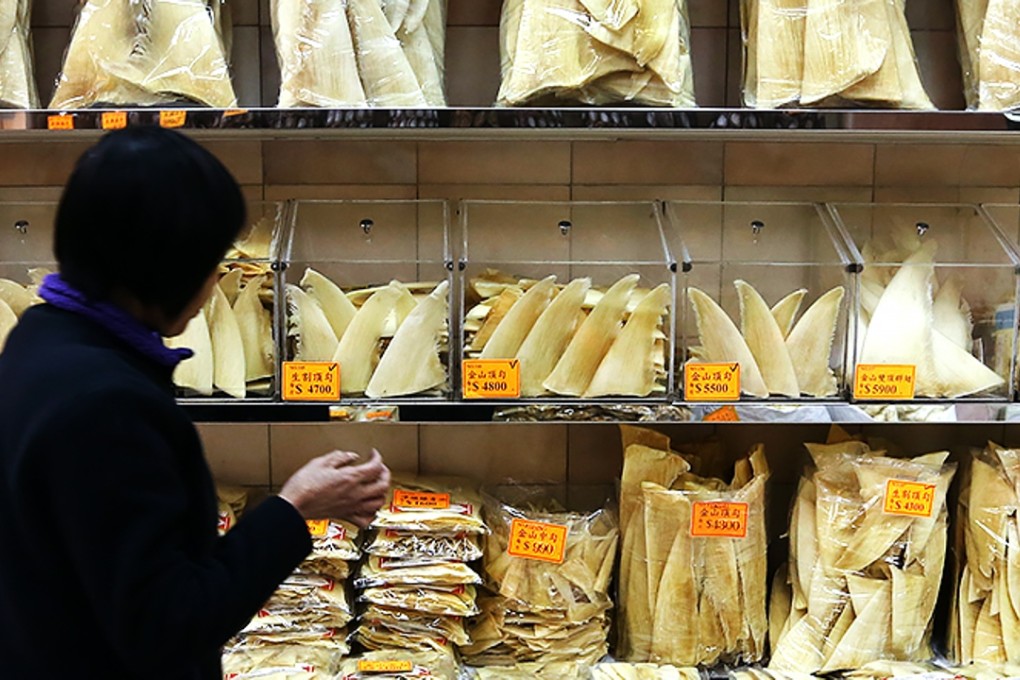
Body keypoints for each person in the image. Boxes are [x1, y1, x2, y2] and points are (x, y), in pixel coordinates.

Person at [0, 127, 390, 678]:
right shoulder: (105, 407)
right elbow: (169, 622)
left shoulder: (38, 339)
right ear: (165, 270)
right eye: (211, 263)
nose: (213, 285)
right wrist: (292, 509)